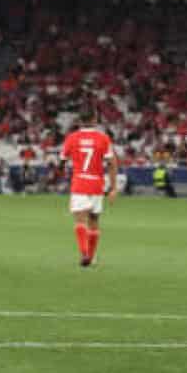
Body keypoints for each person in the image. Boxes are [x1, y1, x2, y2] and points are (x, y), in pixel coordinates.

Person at [60, 110, 118, 267]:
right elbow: (112, 163)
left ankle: (84, 253)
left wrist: (62, 172)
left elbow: (62, 160)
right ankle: (91, 257)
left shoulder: (72, 138)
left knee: (80, 220)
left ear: (80, 120)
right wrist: (113, 188)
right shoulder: (103, 138)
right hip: (97, 184)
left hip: (79, 182)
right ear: (95, 119)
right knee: (93, 220)